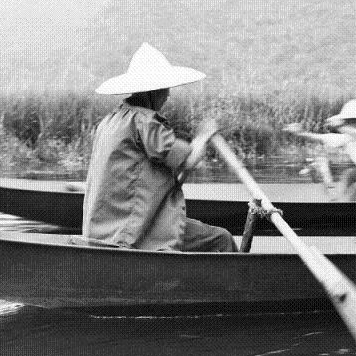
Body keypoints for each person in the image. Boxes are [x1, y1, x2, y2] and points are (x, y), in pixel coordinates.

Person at [81, 42, 238, 252]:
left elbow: (173, 169)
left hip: (104, 230)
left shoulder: (110, 121)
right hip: (134, 230)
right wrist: (204, 136)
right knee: (222, 239)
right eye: (165, 90)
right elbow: (189, 161)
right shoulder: (144, 121)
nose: (168, 95)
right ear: (152, 91)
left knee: (201, 233)